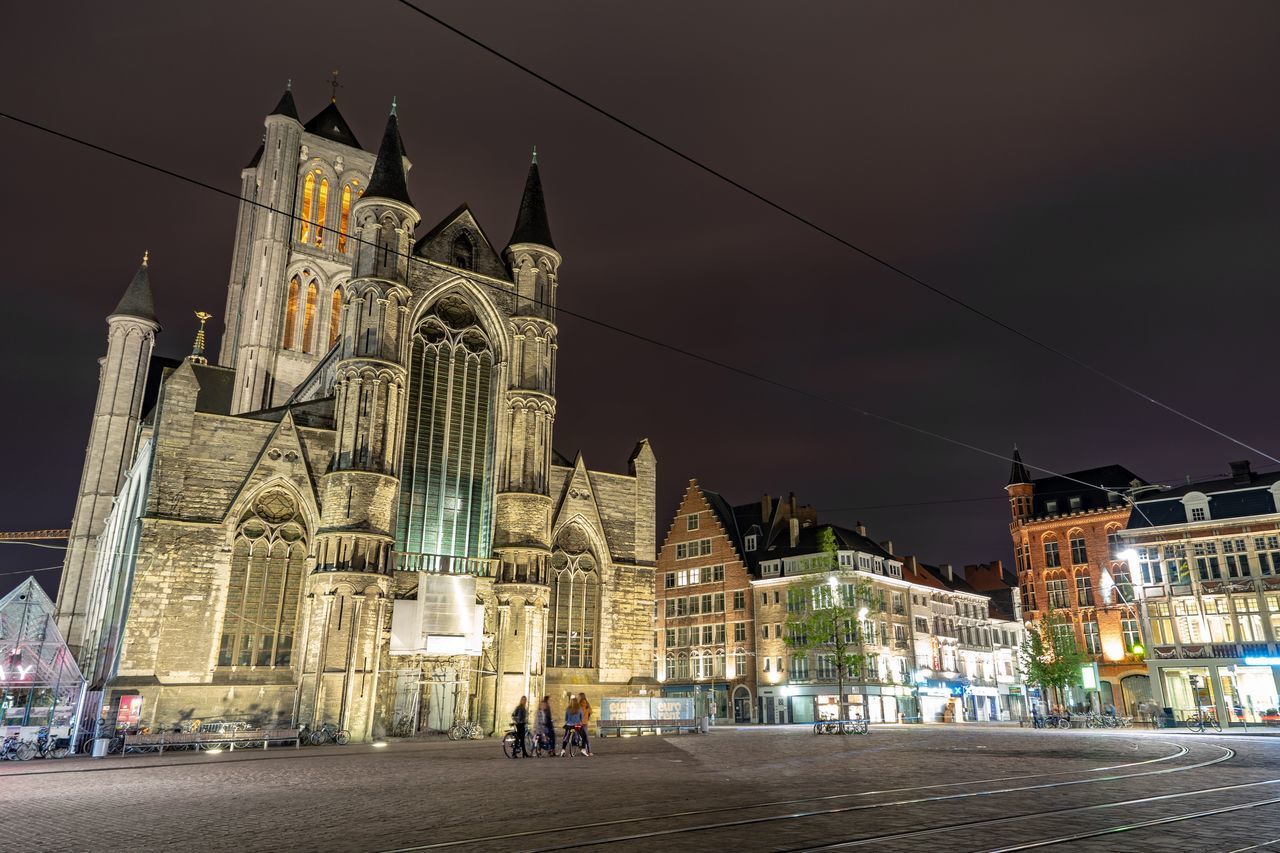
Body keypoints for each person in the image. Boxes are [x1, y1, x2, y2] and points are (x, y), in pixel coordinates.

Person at [577, 692, 593, 757]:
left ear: (581, 697)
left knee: (577, 735)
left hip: (579, 723)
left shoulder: (579, 704)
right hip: (584, 723)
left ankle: (582, 748)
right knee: (585, 737)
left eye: (578, 696)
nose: (578, 697)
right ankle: (588, 751)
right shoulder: (587, 704)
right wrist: (587, 717)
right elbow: (590, 712)